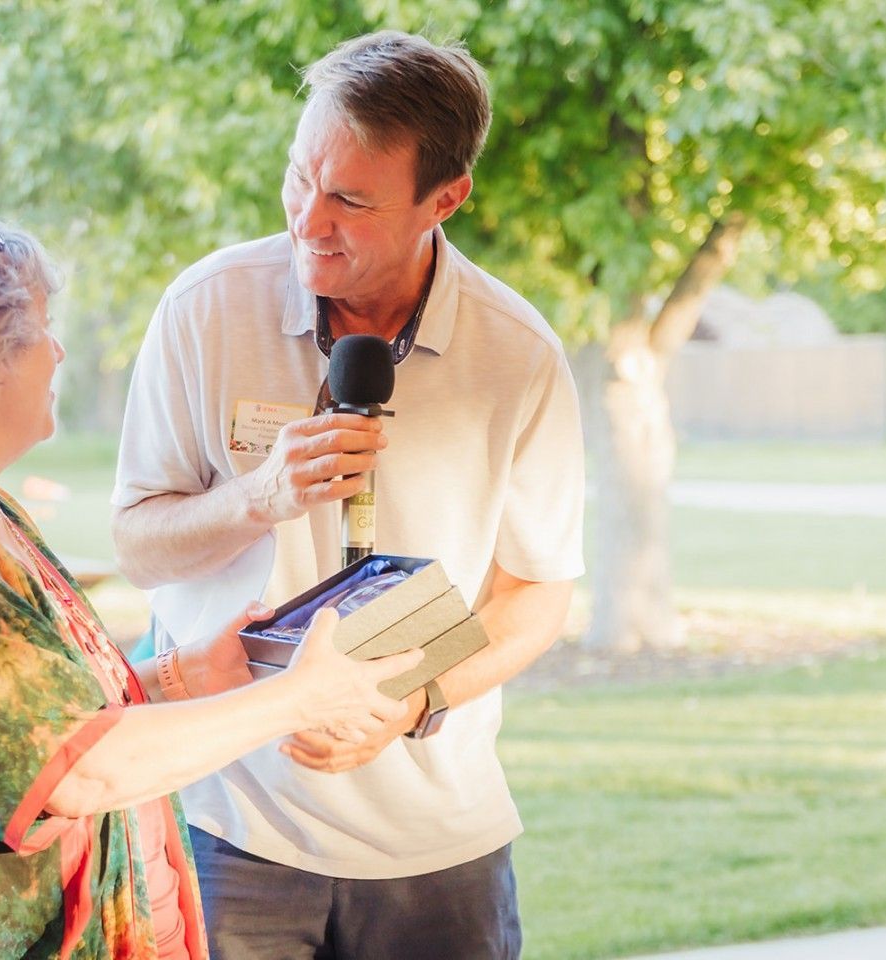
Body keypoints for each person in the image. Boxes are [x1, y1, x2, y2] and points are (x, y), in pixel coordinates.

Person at [0, 199, 425, 960]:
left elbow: (27, 724)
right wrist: (297, 697)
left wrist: (186, 677)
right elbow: (76, 772)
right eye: (40, 331)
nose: (56, 353)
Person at [112, 31, 585, 959]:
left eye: (351, 200)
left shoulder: (519, 359)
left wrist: (409, 704)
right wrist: (255, 496)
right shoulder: (203, 309)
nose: (306, 219)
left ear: (443, 200)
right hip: (228, 825)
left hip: (436, 847)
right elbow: (136, 543)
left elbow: (535, 595)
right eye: (300, 177)